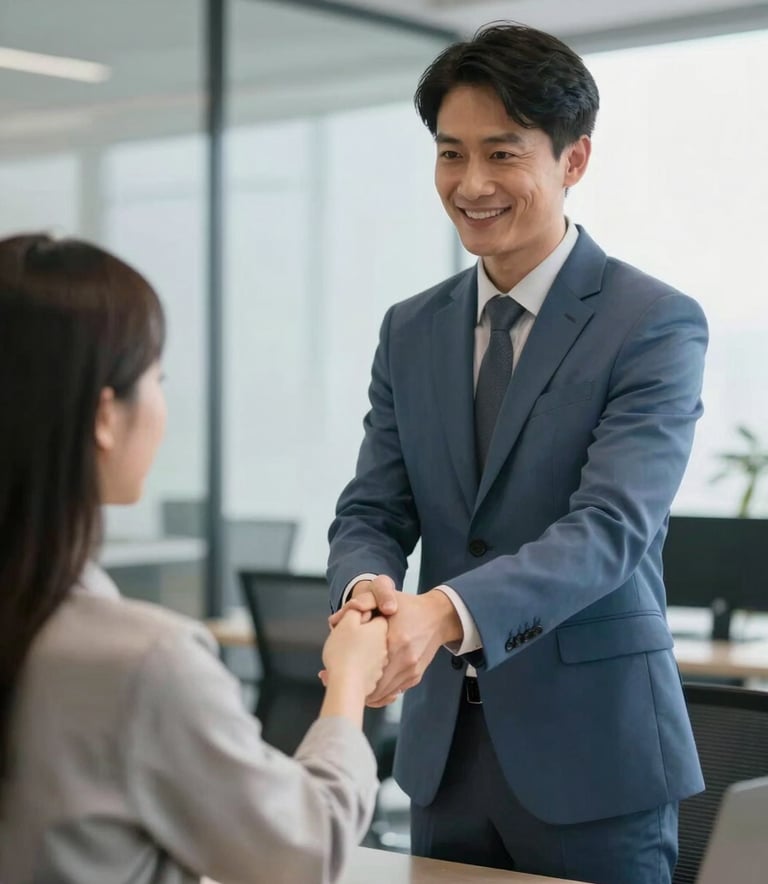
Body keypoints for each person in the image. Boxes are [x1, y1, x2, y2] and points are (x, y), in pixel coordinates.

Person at [327, 22, 708, 884]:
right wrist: (366, 597)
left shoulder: (652, 322)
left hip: (594, 759)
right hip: (442, 760)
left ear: (573, 160)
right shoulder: (411, 327)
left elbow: (610, 529)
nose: (471, 184)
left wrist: (443, 613)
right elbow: (372, 510)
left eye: (503, 154)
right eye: (450, 154)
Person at [0, 233, 388, 884]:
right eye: (156, 377)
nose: (162, 404)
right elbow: (302, 853)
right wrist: (350, 683)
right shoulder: (143, 665)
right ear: (104, 415)